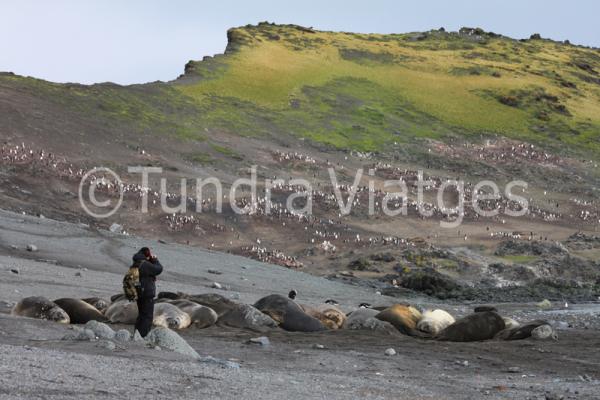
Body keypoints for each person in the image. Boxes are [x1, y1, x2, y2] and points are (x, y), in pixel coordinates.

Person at [133, 247, 163, 337]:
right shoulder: (145, 264)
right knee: (147, 316)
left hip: (139, 292)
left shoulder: (137, 263)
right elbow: (158, 269)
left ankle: (137, 334)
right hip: (146, 293)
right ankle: (143, 335)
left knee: (141, 314)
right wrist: (155, 260)